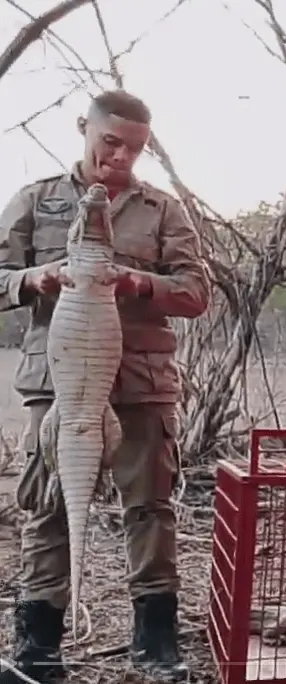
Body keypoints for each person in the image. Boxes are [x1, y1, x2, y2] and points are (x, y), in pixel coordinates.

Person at [0, 90, 210, 684]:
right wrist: (37, 277)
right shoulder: (35, 201)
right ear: (84, 130)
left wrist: (135, 283)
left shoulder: (163, 210)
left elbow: (195, 292)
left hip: (141, 384)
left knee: (150, 509)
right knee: (48, 510)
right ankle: (39, 649)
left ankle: (157, 647)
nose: (121, 157)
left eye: (135, 148)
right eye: (111, 141)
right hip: (57, 384)